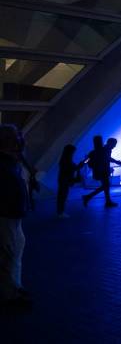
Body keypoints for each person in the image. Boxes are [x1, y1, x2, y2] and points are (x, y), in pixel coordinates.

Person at [0, 124, 31, 312]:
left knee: (15, 250)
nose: (20, 139)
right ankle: (9, 295)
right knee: (7, 254)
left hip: (13, 215)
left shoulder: (12, 160)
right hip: (5, 215)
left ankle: (15, 287)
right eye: (16, 136)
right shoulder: (3, 162)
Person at [82, 136, 121, 208]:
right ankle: (89, 196)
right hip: (102, 171)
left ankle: (107, 201)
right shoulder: (106, 150)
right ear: (110, 143)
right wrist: (116, 162)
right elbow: (108, 158)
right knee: (106, 185)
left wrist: (84, 163)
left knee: (106, 186)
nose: (115, 146)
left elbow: (87, 159)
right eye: (114, 144)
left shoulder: (98, 150)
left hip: (100, 171)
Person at [56, 145, 82, 218]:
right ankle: (60, 212)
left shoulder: (64, 159)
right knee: (62, 196)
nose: (73, 153)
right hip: (65, 180)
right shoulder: (66, 160)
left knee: (62, 196)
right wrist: (77, 167)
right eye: (73, 151)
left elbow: (70, 168)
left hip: (63, 179)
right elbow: (70, 169)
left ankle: (60, 212)